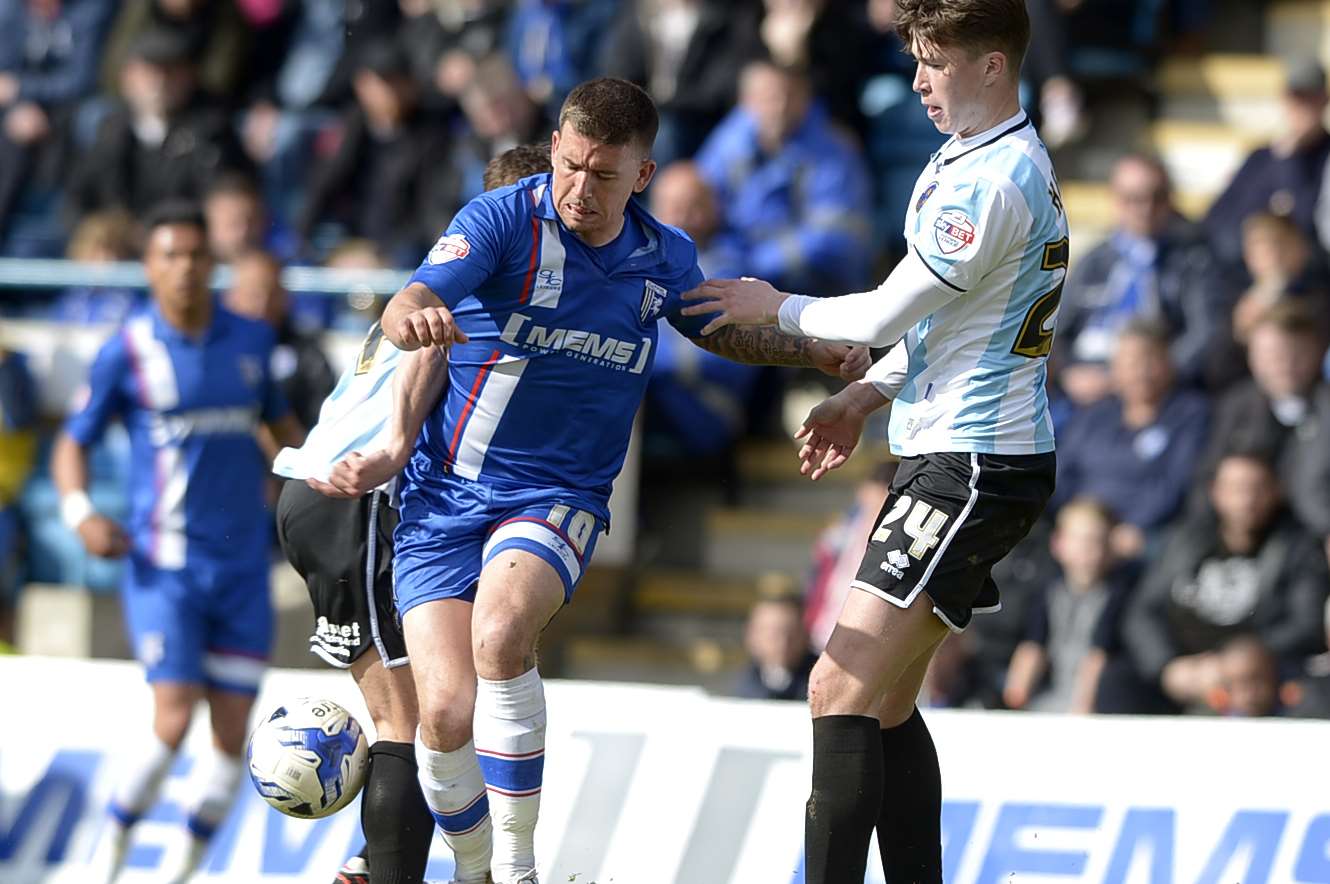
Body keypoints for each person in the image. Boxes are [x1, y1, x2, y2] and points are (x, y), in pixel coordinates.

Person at [377, 77, 867, 884]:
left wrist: (803, 347)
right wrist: (413, 317)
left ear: (642, 175)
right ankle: (473, 871)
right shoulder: (502, 218)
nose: (578, 189)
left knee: (501, 636)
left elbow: (720, 330)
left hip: (556, 494)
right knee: (443, 713)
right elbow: (413, 298)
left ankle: (520, 869)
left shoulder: (663, 254)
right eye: (569, 166)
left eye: (603, 176)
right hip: (443, 495)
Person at [678, 2, 1064, 879]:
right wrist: (862, 393)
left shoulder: (990, 180)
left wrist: (773, 304)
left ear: (994, 66)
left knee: (834, 686)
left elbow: (888, 311)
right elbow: (954, 327)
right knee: (883, 704)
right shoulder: (976, 160)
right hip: (966, 454)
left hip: (970, 464)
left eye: (936, 63)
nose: (919, 80)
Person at [271, 143, 554, 884]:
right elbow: (431, 356)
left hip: (322, 493)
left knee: (435, 710)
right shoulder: (493, 272)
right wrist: (397, 445)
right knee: (411, 719)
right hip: (355, 494)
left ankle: (373, 862)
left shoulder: (456, 268)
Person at [49, 201, 303, 884]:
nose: (186, 268)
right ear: (149, 266)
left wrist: (314, 480)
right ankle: (106, 855)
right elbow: (71, 444)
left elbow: (285, 433)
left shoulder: (250, 342)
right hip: (165, 567)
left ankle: (180, 873)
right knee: (171, 719)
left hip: (244, 568)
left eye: (197, 256)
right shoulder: (126, 349)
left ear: (212, 265)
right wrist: (78, 511)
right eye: (171, 256)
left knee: (229, 741)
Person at [1121, 451, 1328, 714]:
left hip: (1263, 674)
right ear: (1216, 492)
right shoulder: (1185, 540)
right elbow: (1143, 612)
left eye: (1256, 488)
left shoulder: (1296, 546)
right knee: (1117, 684)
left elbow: (1306, 625)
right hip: (1188, 669)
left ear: (1276, 490)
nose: (1246, 499)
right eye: (1236, 488)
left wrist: (1233, 664)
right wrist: (1166, 666)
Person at [1054, 153, 1223, 402]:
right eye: (1133, 199)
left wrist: (1142, 376)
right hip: (1086, 387)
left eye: (1157, 197)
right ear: (1115, 200)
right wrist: (1067, 373)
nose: (1146, 209)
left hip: (1156, 389)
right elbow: (1054, 330)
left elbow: (1205, 334)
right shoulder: (1093, 261)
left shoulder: (1195, 259)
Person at [1053, 318, 1209, 560]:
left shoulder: (1190, 413)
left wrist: (1136, 524)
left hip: (1146, 532)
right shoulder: (1095, 414)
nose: (1141, 371)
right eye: (1131, 362)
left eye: (1150, 359)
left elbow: (1176, 483)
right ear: (1115, 368)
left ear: (1168, 362)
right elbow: (1062, 471)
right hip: (1081, 527)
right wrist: (1072, 518)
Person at [1002, 498, 1132, 714]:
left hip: (1096, 704)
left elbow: (1098, 656)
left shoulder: (1117, 594)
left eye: (1096, 540)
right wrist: (1015, 697)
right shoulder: (1047, 591)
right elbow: (1033, 646)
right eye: (1080, 540)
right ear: (1058, 544)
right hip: (1051, 697)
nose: (1087, 549)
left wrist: (1082, 710)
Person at [223, 249, 336, 432]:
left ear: (285, 297)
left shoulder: (307, 353)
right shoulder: (212, 351)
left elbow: (324, 415)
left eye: (271, 294)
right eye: (253, 295)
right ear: (231, 297)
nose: (263, 305)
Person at [734, 573, 819, 701]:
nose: (783, 643)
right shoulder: (742, 686)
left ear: (805, 634)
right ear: (752, 635)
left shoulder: (823, 679)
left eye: (791, 632)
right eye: (773, 634)